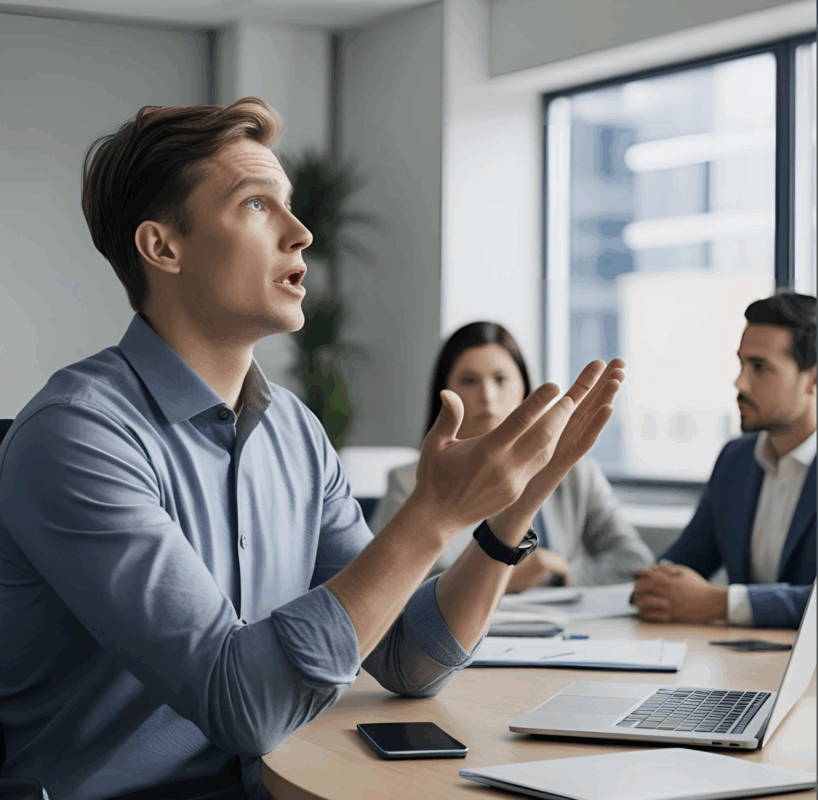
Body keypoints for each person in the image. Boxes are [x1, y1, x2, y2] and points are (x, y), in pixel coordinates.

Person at [0, 98, 625, 799]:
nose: (301, 234)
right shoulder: (78, 437)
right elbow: (241, 703)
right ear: (163, 247)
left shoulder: (294, 432)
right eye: (257, 206)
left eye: (291, 206)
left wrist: (515, 501)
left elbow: (406, 657)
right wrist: (432, 515)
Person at [369, 322, 653, 591]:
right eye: (469, 381)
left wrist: (565, 571)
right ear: (445, 394)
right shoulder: (409, 483)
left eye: (501, 379)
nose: (488, 395)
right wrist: (501, 579)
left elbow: (634, 562)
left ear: (525, 390)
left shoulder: (577, 473)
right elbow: (380, 586)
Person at [632, 293, 816, 629]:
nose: (739, 382)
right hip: (741, 666)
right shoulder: (737, 459)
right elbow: (682, 561)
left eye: (759, 368)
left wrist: (720, 603)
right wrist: (655, 587)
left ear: (813, 380)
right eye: (741, 364)